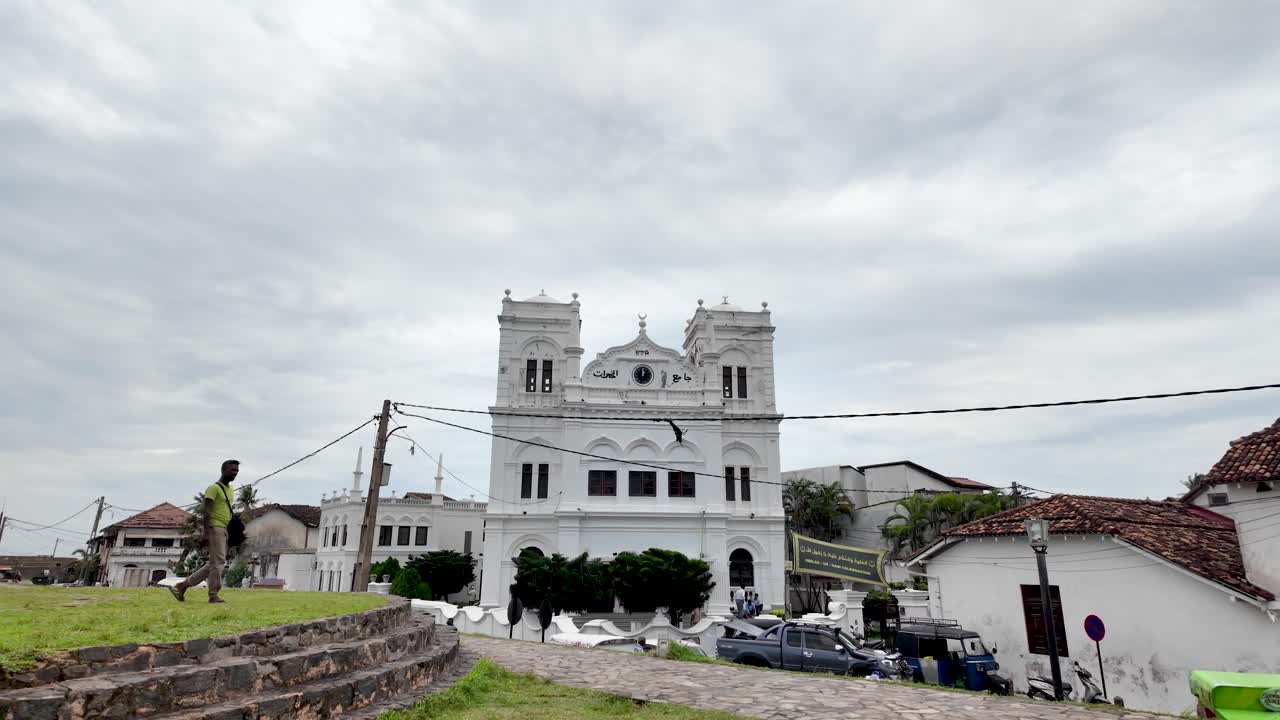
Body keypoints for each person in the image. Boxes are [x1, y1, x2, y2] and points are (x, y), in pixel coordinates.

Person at [170, 460, 239, 604]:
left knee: (213, 563)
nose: (235, 473)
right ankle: (213, 595)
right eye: (232, 470)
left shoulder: (230, 489)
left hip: (224, 528)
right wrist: (206, 532)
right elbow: (206, 511)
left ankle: (182, 586)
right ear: (224, 470)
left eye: (237, 470)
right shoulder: (213, 488)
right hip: (215, 527)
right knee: (219, 562)